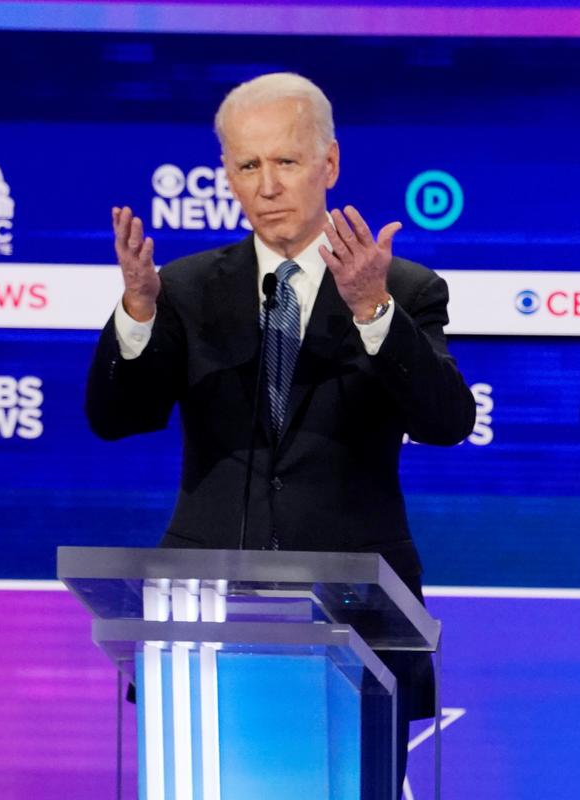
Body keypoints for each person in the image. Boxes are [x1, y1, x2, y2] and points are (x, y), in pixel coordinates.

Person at [86, 72, 476, 786]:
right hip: (204, 616)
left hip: (356, 620)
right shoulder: (184, 288)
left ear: (329, 163)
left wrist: (372, 314)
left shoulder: (404, 289)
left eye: (286, 162)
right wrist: (138, 315)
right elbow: (117, 418)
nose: (266, 186)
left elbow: (447, 422)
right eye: (247, 165)